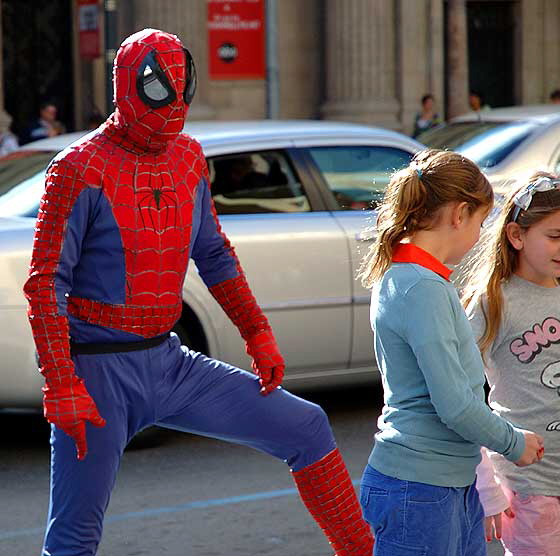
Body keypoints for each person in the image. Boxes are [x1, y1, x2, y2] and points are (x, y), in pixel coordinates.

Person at [23, 28, 374, 556]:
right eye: (160, 90)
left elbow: (212, 252)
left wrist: (257, 333)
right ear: (129, 85)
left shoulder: (187, 157)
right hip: (97, 373)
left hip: (170, 362)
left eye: (179, 90)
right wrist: (61, 382)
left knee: (306, 426)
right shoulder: (78, 168)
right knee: (74, 534)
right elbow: (46, 282)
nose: (172, 108)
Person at [357, 149, 543, 556]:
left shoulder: (408, 277)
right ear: (459, 214)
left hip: (435, 485)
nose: (479, 235)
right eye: (480, 221)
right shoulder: (422, 288)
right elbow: (456, 405)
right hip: (421, 490)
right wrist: (513, 442)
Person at [463, 173, 560, 555]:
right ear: (516, 235)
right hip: (523, 488)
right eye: (555, 236)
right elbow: (464, 401)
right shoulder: (493, 302)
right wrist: (487, 492)